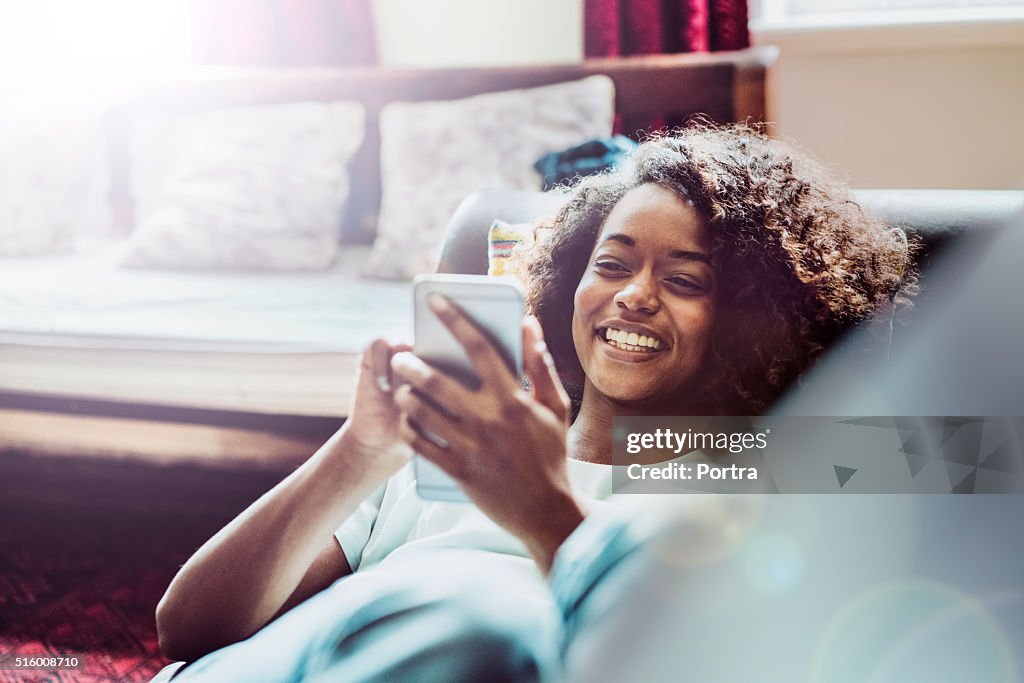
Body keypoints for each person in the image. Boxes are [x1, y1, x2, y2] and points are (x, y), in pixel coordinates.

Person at [153, 124, 913, 682]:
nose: (633, 297)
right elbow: (188, 628)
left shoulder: (747, 472)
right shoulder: (469, 433)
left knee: (485, 626)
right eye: (610, 264)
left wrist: (544, 508)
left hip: (469, 657)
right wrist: (359, 452)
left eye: (684, 281)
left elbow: (980, 457)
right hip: (306, 659)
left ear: (753, 324)